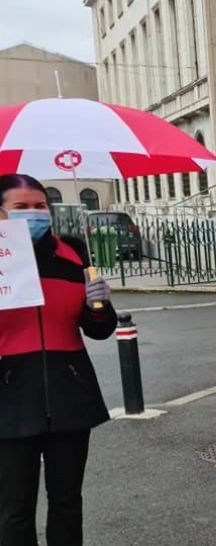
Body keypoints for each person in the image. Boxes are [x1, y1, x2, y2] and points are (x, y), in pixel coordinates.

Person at [0, 173, 116, 545]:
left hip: (69, 394)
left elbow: (97, 329)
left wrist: (99, 304)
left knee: (67, 502)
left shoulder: (72, 256)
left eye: (39, 206)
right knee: (13, 508)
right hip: (9, 399)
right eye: (20, 207)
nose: (33, 214)